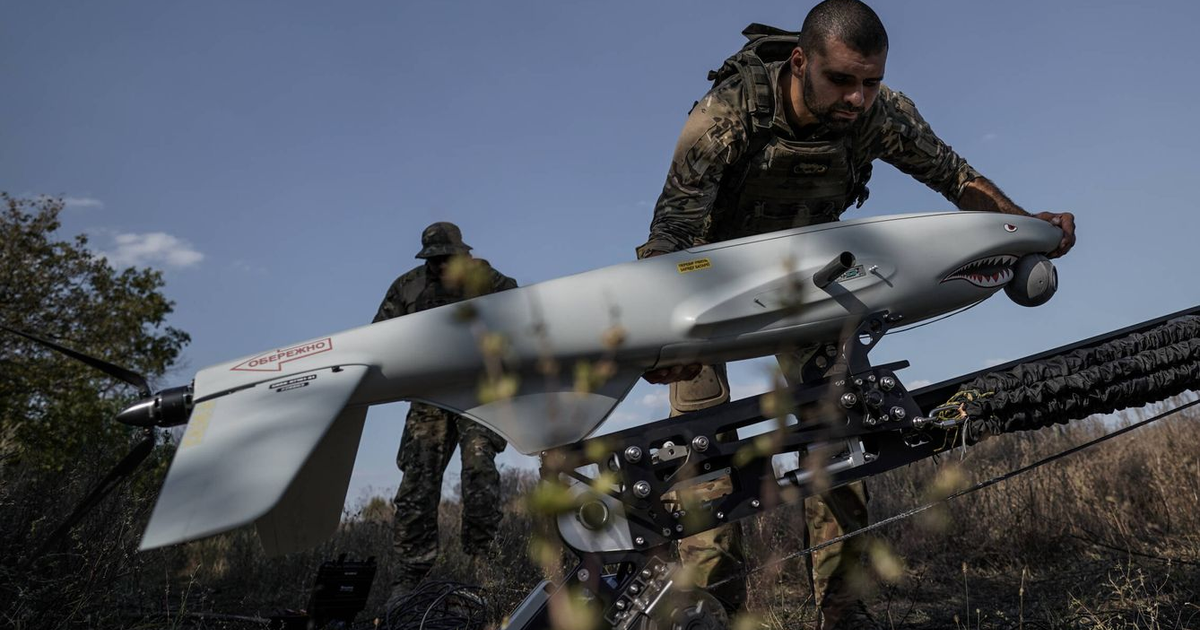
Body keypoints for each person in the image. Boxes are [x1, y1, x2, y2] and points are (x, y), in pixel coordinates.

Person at [635, 1, 1076, 628]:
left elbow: (955, 178)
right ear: (800, 62)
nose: (858, 98)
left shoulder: (880, 112)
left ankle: (843, 605)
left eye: (870, 81)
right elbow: (670, 236)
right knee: (702, 451)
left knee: (836, 432)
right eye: (842, 80)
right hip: (704, 290)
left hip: (812, 282)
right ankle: (712, 604)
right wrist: (658, 338)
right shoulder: (725, 116)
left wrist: (1025, 228)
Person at [374, 221, 518, 609]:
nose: (440, 267)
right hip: (430, 398)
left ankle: (484, 566)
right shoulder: (407, 287)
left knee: (480, 475)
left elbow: (517, 310)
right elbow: (379, 337)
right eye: (434, 260)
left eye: (447, 259)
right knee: (417, 486)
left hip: (477, 392)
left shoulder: (485, 278)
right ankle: (409, 578)